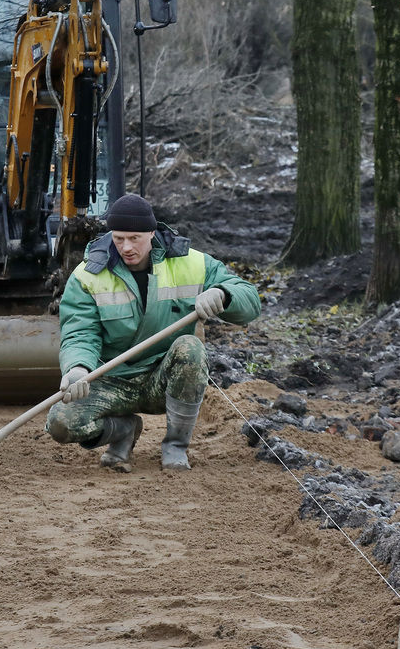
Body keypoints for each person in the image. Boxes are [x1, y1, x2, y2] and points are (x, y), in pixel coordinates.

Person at [46, 193, 260, 471]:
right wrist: (76, 367)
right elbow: (79, 332)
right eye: (119, 238)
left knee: (190, 346)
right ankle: (122, 430)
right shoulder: (88, 275)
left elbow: (250, 301)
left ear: (152, 233)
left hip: (164, 378)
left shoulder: (191, 263)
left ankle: (175, 446)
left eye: (134, 238)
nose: (126, 247)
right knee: (61, 423)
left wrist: (224, 294)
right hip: (112, 380)